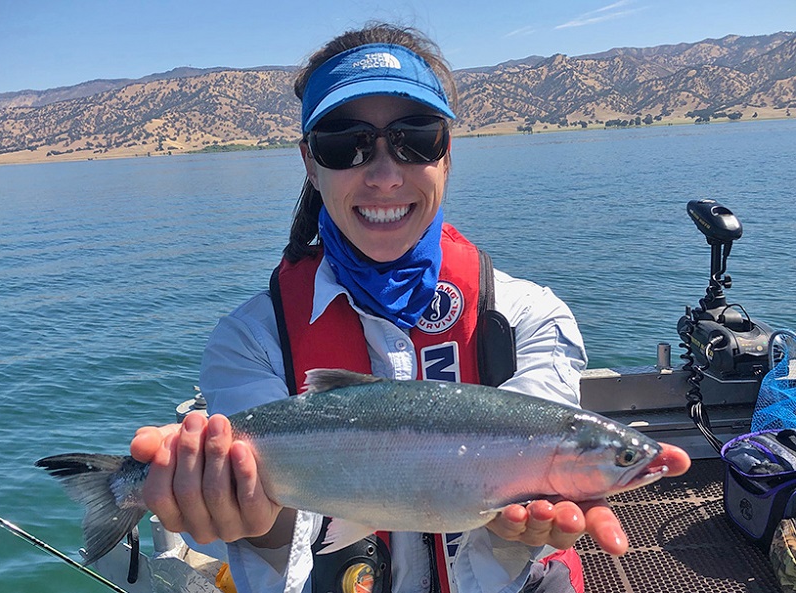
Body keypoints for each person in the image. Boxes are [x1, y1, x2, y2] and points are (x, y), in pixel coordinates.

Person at [131, 23, 690, 593]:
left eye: (416, 138)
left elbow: (527, 487)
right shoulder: (251, 343)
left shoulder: (528, 318)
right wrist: (255, 526)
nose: (383, 174)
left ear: (446, 154)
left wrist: (513, 530)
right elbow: (277, 547)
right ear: (309, 162)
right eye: (343, 142)